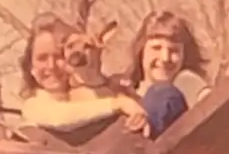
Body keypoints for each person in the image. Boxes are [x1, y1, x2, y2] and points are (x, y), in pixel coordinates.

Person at [19, 12, 149, 133]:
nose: (51, 66)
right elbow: (61, 117)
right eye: (42, 58)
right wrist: (118, 103)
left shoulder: (110, 90)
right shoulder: (33, 106)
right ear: (31, 67)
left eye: (58, 56)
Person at [127, 10, 211, 138]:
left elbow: (213, 106)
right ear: (141, 51)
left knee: (162, 93)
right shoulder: (127, 92)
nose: (165, 57)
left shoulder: (186, 82)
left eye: (174, 50)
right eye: (156, 48)